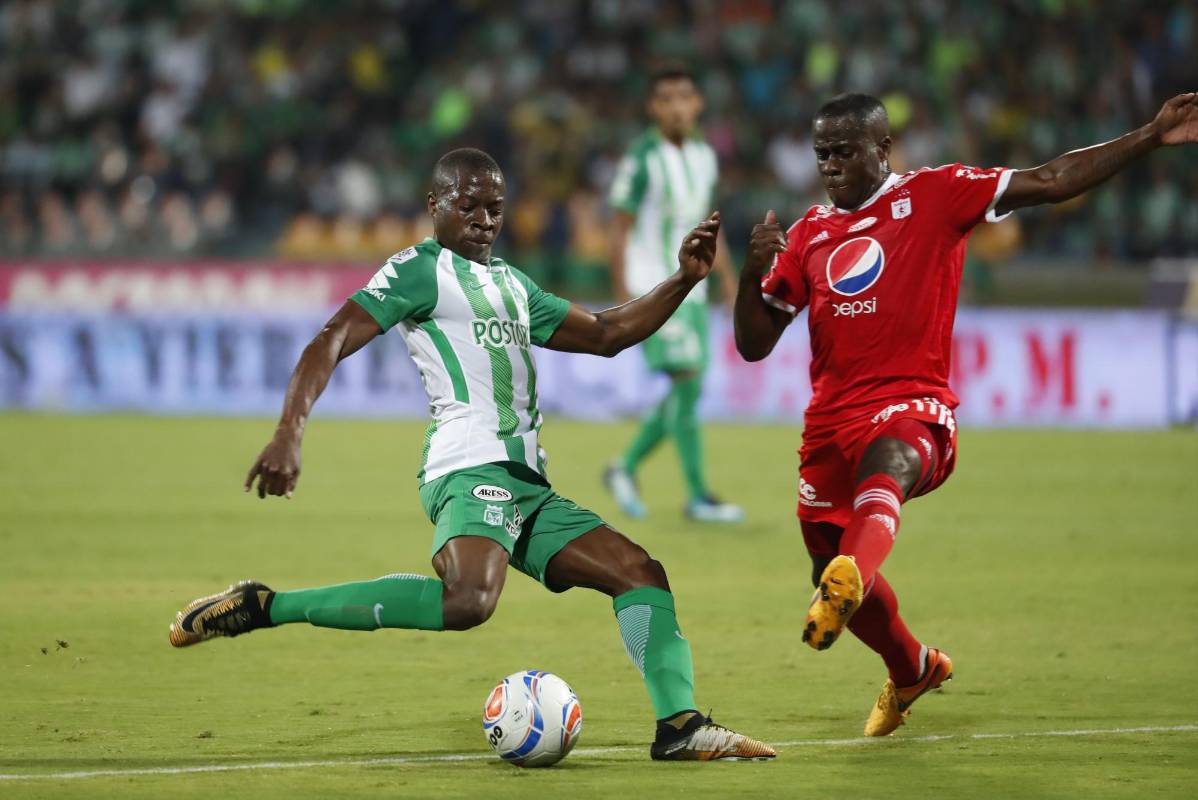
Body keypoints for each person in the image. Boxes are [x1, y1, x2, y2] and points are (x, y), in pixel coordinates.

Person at [168, 148, 774, 762]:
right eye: (469, 206)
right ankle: (267, 607)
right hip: (466, 466)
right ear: (435, 207)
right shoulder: (417, 272)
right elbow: (331, 339)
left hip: (528, 484)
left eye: (495, 208)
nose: (485, 219)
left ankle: (680, 726)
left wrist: (684, 279)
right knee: (470, 601)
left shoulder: (513, 285)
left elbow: (608, 333)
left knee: (641, 575)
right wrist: (288, 430)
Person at [734, 92, 1198, 736]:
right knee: (823, 559)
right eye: (822, 154)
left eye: (845, 151)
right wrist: (748, 274)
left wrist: (1149, 135)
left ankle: (852, 574)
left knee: (885, 473)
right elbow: (754, 344)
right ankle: (913, 667)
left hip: (912, 406)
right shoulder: (809, 231)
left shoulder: (937, 193)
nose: (831, 165)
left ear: (883, 149)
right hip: (827, 425)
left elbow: (1051, 179)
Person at [603, 67, 744, 524]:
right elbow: (619, 227)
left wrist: (727, 276)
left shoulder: (704, 154)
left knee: (691, 385)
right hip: (655, 285)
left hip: (695, 287)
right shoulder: (641, 157)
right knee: (687, 378)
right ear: (654, 108)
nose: (678, 106)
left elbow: (705, 222)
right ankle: (699, 495)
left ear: (698, 103)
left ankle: (623, 467)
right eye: (667, 99)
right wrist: (623, 294)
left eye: (685, 97)